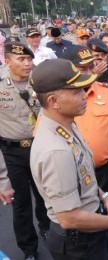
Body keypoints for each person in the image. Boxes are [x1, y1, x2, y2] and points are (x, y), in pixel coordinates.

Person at [29, 58, 108, 260]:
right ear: (53, 101)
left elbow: (85, 176)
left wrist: (104, 197)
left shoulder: (67, 125)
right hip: (78, 242)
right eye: (76, 92)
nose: (85, 95)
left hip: (88, 230)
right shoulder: (55, 150)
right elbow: (69, 218)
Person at [0, 42, 50, 260]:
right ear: (7, 60)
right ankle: (28, 248)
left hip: (40, 148)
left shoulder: (39, 82)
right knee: (20, 204)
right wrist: (2, 180)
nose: (27, 63)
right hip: (11, 153)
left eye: (29, 59)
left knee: (45, 195)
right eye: (21, 59)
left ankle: (47, 228)